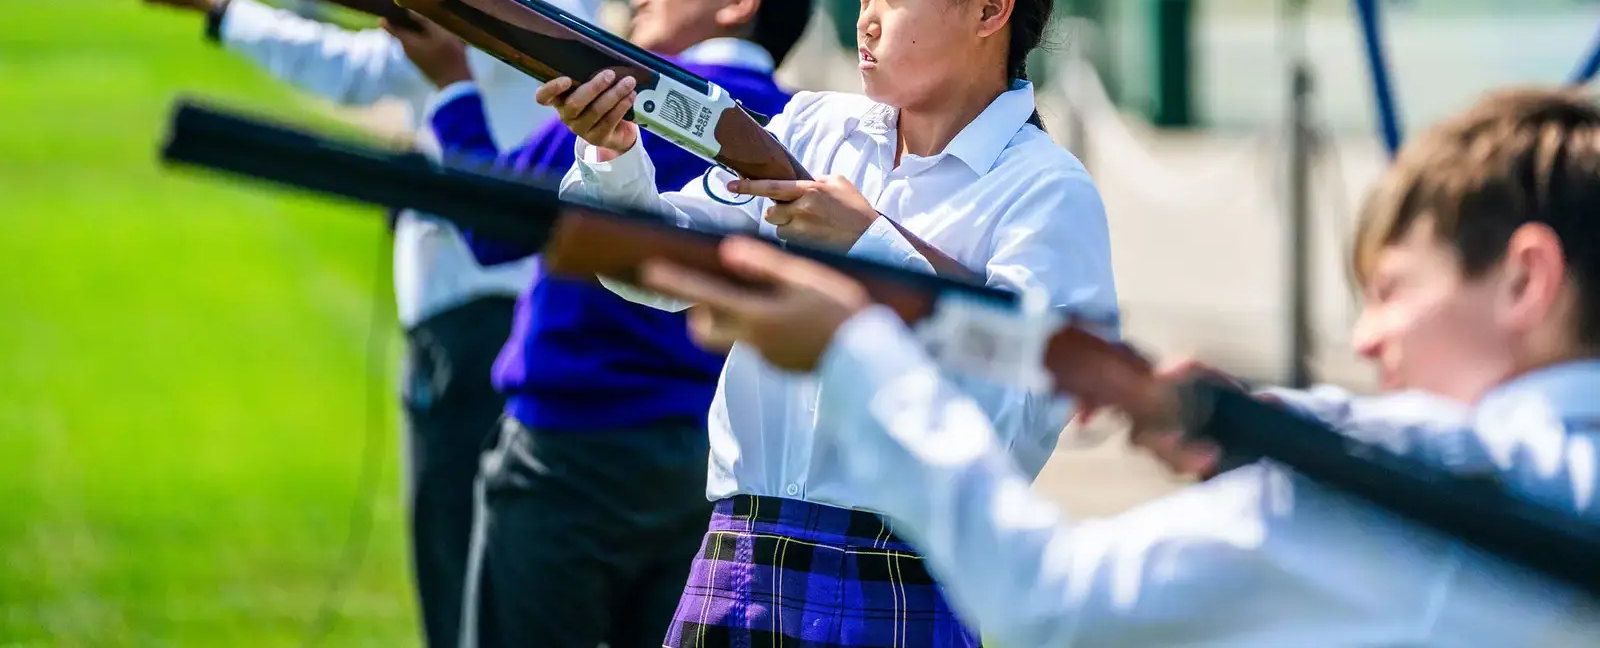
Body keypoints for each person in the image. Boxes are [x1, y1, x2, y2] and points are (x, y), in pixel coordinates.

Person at [633, 85, 1600, 647]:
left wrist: (852, 352)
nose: (1369, 339)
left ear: (1525, 280)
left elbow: (1048, 598)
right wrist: (1256, 420)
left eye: (1392, 290)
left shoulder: (1398, 492)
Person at [545, 0, 1119, 647]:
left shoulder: (1048, 191)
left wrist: (872, 246)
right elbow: (657, 270)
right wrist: (610, 154)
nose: (868, 18)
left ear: (991, 8)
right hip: (738, 553)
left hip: (906, 570)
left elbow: (1027, 402)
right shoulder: (812, 129)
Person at [102, 0, 613, 648]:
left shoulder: (536, 21)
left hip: (485, 323)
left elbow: (357, 61)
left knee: (470, 595)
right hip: (471, 328)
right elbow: (353, 69)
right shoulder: (488, 26)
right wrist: (219, 2)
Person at [388, 0, 816, 648]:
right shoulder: (805, 125)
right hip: (704, 459)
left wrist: (452, 89)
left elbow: (493, 225)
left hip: (570, 446)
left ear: (737, 0)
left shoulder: (637, 89)